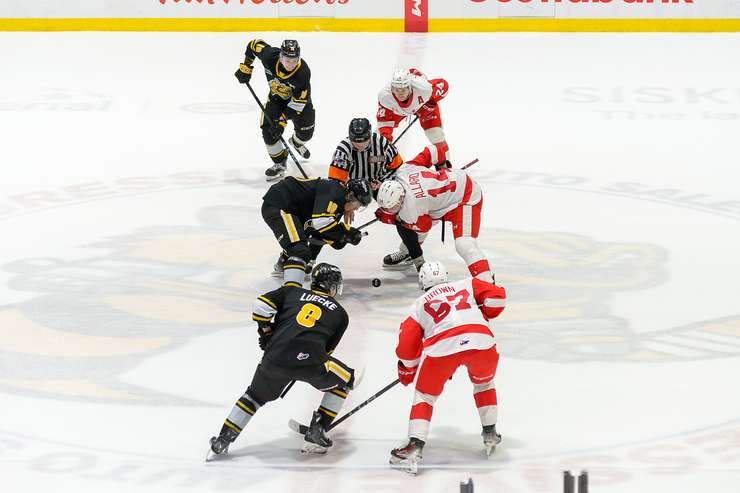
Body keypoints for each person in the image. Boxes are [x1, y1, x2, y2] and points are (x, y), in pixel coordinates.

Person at [208, 263, 357, 458]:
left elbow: (260, 306)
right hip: (310, 362)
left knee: (253, 397)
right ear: (332, 286)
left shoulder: (291, 292)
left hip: (274, 359)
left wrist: (267, 331)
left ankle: (223, 439)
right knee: (346, 380)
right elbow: (326, 351)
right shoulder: (340, 314)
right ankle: (318, 429)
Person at [389, 261, 506, 474]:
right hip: (482, 342)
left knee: (424, 395)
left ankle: (415, 445)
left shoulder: (417, 305)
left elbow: (407, 349)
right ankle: (490, 432)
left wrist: (408, 371)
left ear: (422, 281)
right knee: (484, 383)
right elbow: (497, 300)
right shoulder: (468, 284)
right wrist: (484, 313)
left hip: (442, 349)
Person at [374, 160, 495, 284]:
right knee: (418, 218)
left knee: (464, 244)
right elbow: (434, 150)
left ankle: (487, 282)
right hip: (451, 186)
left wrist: (393, 219)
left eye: (390, 207)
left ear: (400, 199)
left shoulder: (411, 210)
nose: (388, 211)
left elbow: (424, 226)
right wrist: (442, 163)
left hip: (466, 198)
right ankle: (407, 252)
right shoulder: (403, 170)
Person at [262, 176, 372, 286]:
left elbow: (321, 234)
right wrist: (346, 232)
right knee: (300, 251)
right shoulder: (335, 192)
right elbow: (320, 223)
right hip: (279, 204)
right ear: (350, 196)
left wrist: (343, 238)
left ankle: (285, 262)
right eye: (358, 204)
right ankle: (292, 292)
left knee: (303, 249)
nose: (357, 209)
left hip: (293, 210)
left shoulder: (337, 203)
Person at [235, 38, 314, 181]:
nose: (291, 64)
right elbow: (253, 45)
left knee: (306, 134)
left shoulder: (303, 72)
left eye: (294, 60)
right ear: (280, 56)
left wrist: (280, 122)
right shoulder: (269, 55)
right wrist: (245, 68)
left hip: (298, 103)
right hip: (276, 100)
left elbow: (297, 105)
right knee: (268, 132)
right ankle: (280, 163)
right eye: (287, 60)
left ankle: (296, 142)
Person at [328, 117, 403, 223]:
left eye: (363, 141)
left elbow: (398, 168)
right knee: (333, 206)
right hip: (354, 189)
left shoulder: (382, 143)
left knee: (399, 205)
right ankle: (328, 232)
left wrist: (385, 183)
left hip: (379, 184)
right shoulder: (343, 149)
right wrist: (345, 204)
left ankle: (405, 231)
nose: (359, 145)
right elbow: (335, 183)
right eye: (355, 142)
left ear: (370, 136)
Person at [376, 68, 450, 168]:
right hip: (398, 111)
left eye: (404, 89)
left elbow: (443, 85)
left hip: (423, 106)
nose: (400, 93)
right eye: (397, 90)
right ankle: (377, 166)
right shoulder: (385, 97)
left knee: (436, 135)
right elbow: (384, 122)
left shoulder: (424, 88)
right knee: (379, 139)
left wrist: (432, 101)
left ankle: (446, 165)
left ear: (410, 87)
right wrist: (385, 144)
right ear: (392, 88)